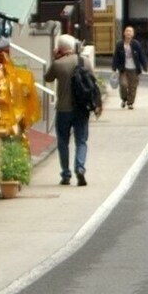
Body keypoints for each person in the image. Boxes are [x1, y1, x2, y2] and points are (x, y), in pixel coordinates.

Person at [44, 34, 91, 187]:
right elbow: (91, 80)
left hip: (63, 109)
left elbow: (48, 78)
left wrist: (55, 57)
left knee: (63, 141)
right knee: (81, 141)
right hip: (81, 108)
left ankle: (66, 174)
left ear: (61, 48)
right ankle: (80, 167)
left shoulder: (58, 64)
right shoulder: (85, 61)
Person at [111, 25, 147, 109]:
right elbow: (115, 56)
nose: (128, 33)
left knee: (133, 87)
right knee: (123, 84)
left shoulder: (136, 44)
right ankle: (124, 99)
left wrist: (144, 66)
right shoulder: (120, 44)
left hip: (134, 69)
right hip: (123, 69)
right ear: (124, 33)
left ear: (133, 34)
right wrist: (114, 67)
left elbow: (141, 56)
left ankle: (130, 103)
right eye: (127, 31)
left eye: (130, 31)